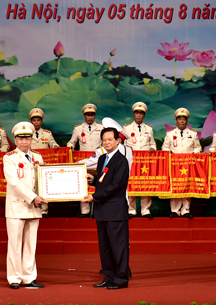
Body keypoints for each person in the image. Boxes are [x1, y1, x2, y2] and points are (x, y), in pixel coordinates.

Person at [82, 127, 130, 290]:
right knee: (105, 247)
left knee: (118, 246)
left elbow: (116, 185)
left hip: (115, 210)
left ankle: (121, 278)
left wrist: (94, 196)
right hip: (102, 210)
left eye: (110, 139)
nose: (107, 142)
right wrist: (93, 179)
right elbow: (104, 181)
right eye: (104, 140)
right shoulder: (103, 158)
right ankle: (109, 276)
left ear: (118, 141)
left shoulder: (121, 160)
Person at [4, 122, 47, 289]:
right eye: (21, 139)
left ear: (31, 139)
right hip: (17, 206)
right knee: (15, 244)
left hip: (34, 206)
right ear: (15, 140)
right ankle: (14, 278)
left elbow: (43, 179)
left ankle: (29, 277)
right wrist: (34, 197)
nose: (24, 142)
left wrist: (48, 194)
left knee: (31, 243)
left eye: (27, 138)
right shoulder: (9, 158)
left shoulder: (38, 157)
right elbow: (14, 183)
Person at [161, 108, 201, 218]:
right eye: (179, 119)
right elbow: (164, 147)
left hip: (188, 164)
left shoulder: (193, 134)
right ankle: (175, 210)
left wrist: (194, 154)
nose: (182, 121)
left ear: (187, 121)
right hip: (174, 164)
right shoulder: (170, 134)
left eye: (184, 119)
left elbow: (198, 148)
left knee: (187, 185)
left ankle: (185, 210)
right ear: (176, 121)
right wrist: (170, 152)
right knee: (175, 185)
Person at [67, 103, 103, 217]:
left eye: (92, 115)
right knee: (84, 186)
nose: (90, 117)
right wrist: (71, 147)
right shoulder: (78, 129)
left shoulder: (101, 127)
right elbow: (71, 142)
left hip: (98, 160)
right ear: (84, 116)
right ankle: (85, 211)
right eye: (88, 115)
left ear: (95, 115)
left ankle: (97, 211)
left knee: (98, 185)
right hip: (84, 162)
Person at [123, 102, 156, 219]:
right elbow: (122, 144)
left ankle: (145, 210)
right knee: (131, 183)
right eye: (136, 113)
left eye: (141, 113)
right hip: (131, 161)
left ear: (144, 115)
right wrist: (127, 147)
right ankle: (131, 210)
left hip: (145, 162)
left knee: (145, 183)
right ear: (133, 114)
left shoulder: (149, 128)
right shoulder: (127, 128)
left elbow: (153, 143)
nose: (138, 115)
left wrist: (152, 148)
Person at [28, 108, 58, 218]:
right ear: (31, 122)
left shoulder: (47, 134)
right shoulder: (27, 134)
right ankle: (32, 209)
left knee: (44, 187)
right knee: (31, 186)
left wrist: (55, 146)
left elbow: (53, 143)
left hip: (43, 165)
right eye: (34, 120)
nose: (36, 122)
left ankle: (44, 210)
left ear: (41, 122)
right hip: (30, 165)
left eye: (38, 120)